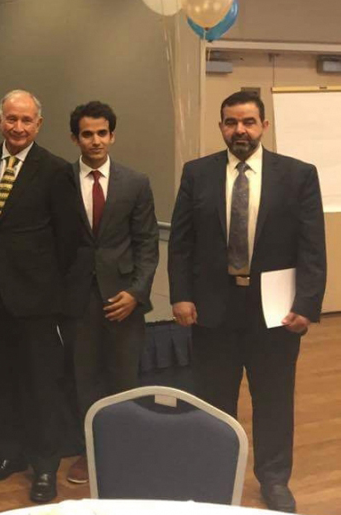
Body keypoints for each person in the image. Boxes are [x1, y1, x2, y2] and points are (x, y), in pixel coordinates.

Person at [169, 90, 326, 514]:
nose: (240, 130)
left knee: (273, 401)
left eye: (248, 122)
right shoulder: (197, 173)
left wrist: (308, 305)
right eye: (231, 122)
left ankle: (274, 480)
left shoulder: (298, 175)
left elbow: (312, 247)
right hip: (211, 310)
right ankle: (216, 474)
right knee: (214, 399)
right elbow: (181, 243)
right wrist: (180, 295)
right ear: (221, 126)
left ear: (263, 126)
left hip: (274, 313)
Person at [0, 89, 78, 504]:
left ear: (39, 124)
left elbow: (68, 241)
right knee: (1, 382)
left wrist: (55, 297)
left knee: (40, 387)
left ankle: (45, 467)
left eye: (26, 120)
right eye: (11, 119)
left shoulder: (55, 171)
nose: (18, 128)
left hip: (37, 302)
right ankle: (8, 455)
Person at [63, 101, 158, 485]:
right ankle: (90, 452)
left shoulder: (136, 182)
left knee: (124, 379)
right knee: (84, 380)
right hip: (77, 301)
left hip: (123, 301)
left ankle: (126, 450)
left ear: (112, 135)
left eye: (102, 133)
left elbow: (148, 245)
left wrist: (135, 294)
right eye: (87, 133)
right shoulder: (61, 180)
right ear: (75, 138)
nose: (96, 140)